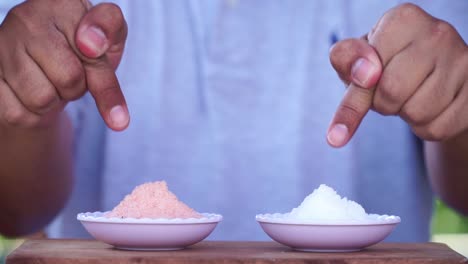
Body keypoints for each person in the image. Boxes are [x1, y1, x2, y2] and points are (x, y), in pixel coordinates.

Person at [0, 0, 467, 242]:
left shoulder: (430, 13)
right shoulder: (55, 11)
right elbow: (15, 212)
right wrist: (29, 115)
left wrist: (459, 117)